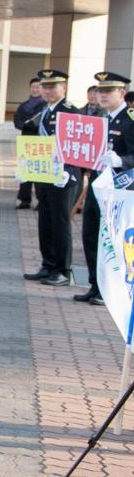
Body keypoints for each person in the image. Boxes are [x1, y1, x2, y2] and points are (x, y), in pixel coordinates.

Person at [75, 71, 134, 305]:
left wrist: (121, 161)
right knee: (91, 234)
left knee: (113, 239)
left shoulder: (130, 120)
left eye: (109, 91)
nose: (103, 95)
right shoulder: (101, 118)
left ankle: (111, 290)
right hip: (99, 185)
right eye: (100, 91)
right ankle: (95, 284)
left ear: (121, 92)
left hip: (121, 189)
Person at [22, 69, 81, 288]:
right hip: (45, 174)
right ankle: (48, 264)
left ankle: (62, 270)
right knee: (45, 221)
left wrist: (69, 168)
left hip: (64, 176)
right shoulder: (44, 110)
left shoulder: (70, 111)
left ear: (63, 88)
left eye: (52, 86)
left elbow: (76, 145)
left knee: (60, 223)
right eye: (44, 86)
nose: (47, 91)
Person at [13, 77, 45, 209]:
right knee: (25, 171)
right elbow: (17, 121)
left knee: (40, 172)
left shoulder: (46, 105)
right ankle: (25, 199)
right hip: (26, 141)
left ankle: (41, 200)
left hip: (41, 142)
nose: (35, 89)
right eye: (33, 86)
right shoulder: (24, 105)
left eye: (38, 87)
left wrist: (34, 127)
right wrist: (26, 126)